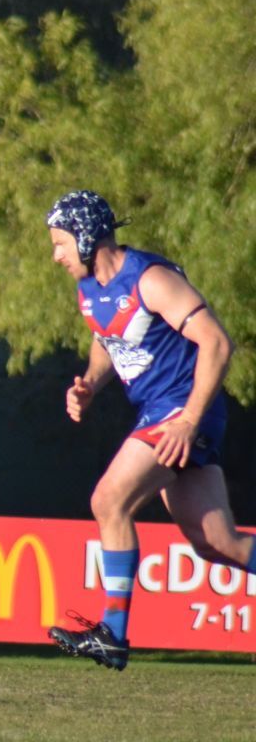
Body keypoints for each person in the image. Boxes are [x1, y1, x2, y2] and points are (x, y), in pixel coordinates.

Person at [44, 190, 256, 670]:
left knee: (108, 501)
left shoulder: (151, 279)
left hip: (181, 410)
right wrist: (90, 384)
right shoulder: (89, 289)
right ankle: (112, 634)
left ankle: (112, 634)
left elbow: (217, 343)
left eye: (59, 243)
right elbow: (107, 339)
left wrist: (189, 420)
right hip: (162, 412)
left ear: (85, 237)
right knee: (216, 542)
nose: (55, 255)